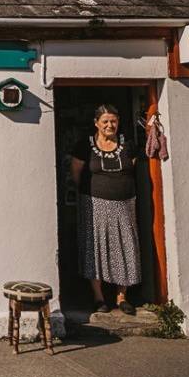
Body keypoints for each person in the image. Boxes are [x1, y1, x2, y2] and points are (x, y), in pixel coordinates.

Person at [70, 104, 141, 316]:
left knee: (125, 246)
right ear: (96, 123)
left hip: (125, 204)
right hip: (95, 205)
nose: (110, 125)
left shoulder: (128, 145)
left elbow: (133, 169)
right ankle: (99, 298)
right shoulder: (85, 146)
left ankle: (121, 297)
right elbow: (76, 174)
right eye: (105, 122)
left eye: (114, 121)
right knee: (96, 249)